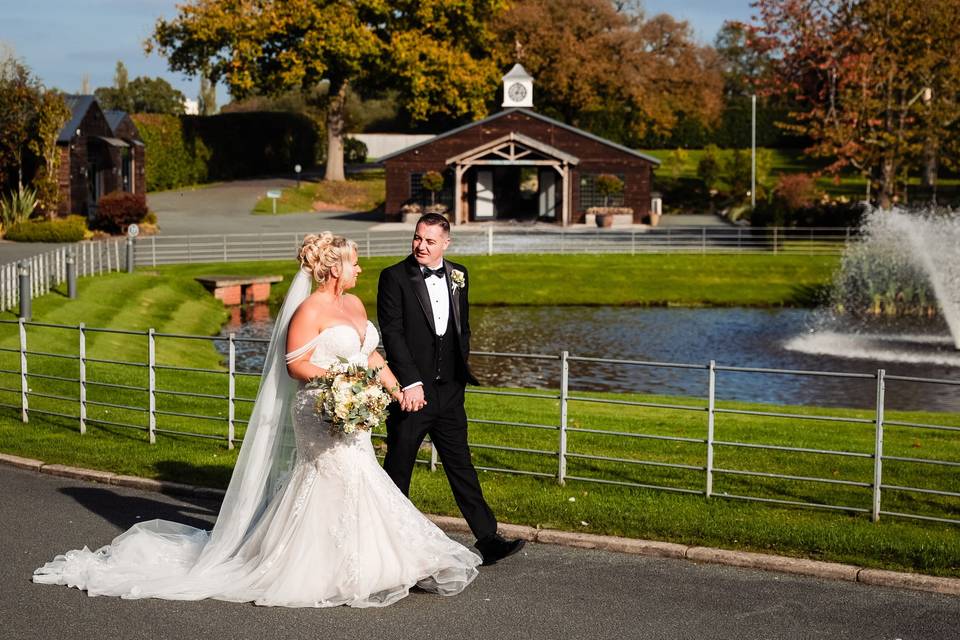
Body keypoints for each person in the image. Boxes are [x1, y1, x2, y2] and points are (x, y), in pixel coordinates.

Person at [33, 232, 481, 607]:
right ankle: (318, 566)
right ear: (332, 268)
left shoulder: (356, 307)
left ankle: (377, 560)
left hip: (350, 409)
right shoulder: (309, 311)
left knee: (360, 477)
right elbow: (295, 365)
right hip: (319, 408)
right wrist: (343, 379)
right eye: (354, 263)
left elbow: (372, 354)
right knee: (334, 480)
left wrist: (394, 388)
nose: (360, 269)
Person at [377, 213, 525, 566]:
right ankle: (386, 542)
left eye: (429, 241)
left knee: (461, 465)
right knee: (399, 466)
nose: (421, 246)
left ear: (446, 243)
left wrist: (459, 371)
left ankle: (488, 539)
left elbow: (463, 328)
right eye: (417, 238)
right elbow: (393, 334)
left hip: (451, 393)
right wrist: (409, 383)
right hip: (412, 394)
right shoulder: (394, 277)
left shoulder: (460, 274)